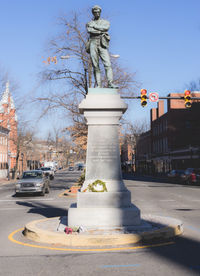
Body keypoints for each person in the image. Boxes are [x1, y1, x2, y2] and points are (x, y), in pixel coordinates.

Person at [86, 5, 118, 88]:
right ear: (93, 13)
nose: (97, 13)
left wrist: (95, 27)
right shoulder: (89, 23)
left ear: (100, 12)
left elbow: (106, 28)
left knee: (107, 64)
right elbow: (89, 30)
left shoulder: (105, 22)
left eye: (98, 12)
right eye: (95, 12)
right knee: (95, 65)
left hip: (102, 42)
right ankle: (98, 85)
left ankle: (110, 83)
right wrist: (100, 30)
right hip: (93, 42)